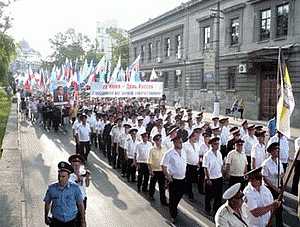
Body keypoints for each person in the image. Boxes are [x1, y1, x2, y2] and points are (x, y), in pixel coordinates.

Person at [44, 161, 86, 227]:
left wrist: (83, 221)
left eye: (63, 176)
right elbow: (47, 203)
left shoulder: (75, 188)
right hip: (56, 221)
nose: (60, 179)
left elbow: (80, 204)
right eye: (59, 176)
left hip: (71, 222)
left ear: (68, 177)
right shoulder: (51, 188)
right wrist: (46, 217)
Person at [161, 135, 186, 223]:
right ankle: (173, 215)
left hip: (182, 178)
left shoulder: (183, 152)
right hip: (173, 179)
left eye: (181, 142)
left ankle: (174, 207)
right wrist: (168, 176)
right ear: (175, 143)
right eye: (179, 142)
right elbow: (163, 166)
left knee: (180, 195)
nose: (181, 144)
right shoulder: (169, 153)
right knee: (172, 198)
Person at [262, 142, 284, 227]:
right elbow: (265, 179)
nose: (277, 151)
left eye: (278, 150)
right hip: (270, 189)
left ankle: (279, 225)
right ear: (271, 152)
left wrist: (282, 175)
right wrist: (275, 188)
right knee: (270, 210)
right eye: (275, 150)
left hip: (278, 188)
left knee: (279, 209)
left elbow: (282, 173)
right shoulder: (266, 163)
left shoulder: (279, 161)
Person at [203, 137, 224, 215]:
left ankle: (215, 209)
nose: (217, 145)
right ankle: (207, 209)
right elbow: (205, 167)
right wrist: (208, 179)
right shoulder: (207, 155)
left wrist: (222, 174)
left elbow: (221, 165)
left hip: (219, 177)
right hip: (211, 178)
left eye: (218, 144)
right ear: (211, 145)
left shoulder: (219, 153)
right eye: (215, 144)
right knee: (209, 196)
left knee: (218, 196)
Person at [68, 155, 90, 227]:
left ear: (80, 165)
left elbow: (87, 185)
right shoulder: (68, 175)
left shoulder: (83, 172)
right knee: (73, 218)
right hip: (73, 200)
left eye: (77, 165)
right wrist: (77, 180)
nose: (76, 167)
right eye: (74, 165)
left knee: (82, 216)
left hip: (83, 199)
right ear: (71, 165)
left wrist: (87, 178)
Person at [148, 133, 168, 205]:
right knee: (152, 184)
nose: (159, 142)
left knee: (162, 187)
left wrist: (166, 171)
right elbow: (149, 161)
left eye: (160, 140)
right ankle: (151, 195)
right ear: (155, 141)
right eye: (157, 140)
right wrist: (150, 171)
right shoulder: (152, 149)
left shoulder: (164, 149)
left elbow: (166, 160)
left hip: (162, 170)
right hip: (154, 170)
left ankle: (163, 201)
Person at [183, 129, 201, 201]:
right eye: (194, 137)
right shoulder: (185, 145)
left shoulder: (196, 145)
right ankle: (190, 195)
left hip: (195, 165)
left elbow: (197, 155)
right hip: (188, 165)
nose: (196, 139)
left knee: (190, 180)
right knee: (189, 180)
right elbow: (183, 156)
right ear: (190, 137)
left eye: (196, 137)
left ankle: (186, 190)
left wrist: (198, 163)